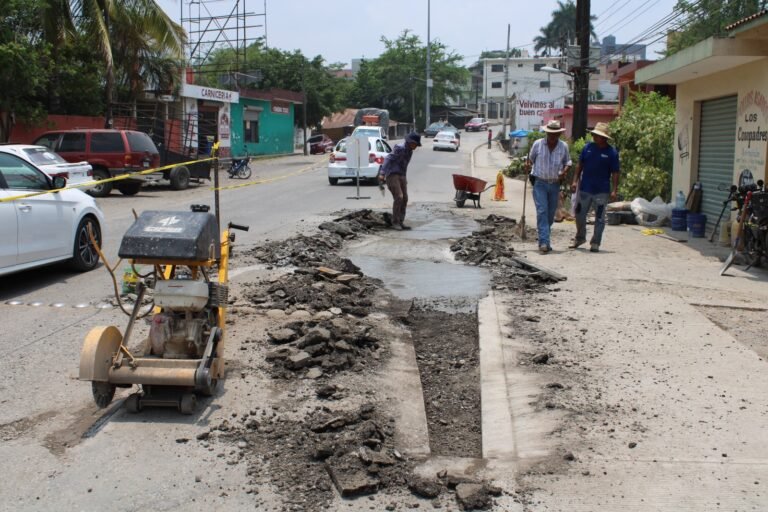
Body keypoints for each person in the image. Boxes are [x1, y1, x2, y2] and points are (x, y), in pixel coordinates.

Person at [569, 122, 620, 253]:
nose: (594, 137)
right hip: (585, 189)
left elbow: (615, 172)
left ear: (604, 138)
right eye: (594, 135)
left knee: (600, 218)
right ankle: (580, 238)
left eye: (597, 135)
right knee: (579, 215)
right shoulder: (587, 148)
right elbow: (579, 166)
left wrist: (614, 190)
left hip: (602, 191)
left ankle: (595, 242)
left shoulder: (611, 153)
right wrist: (574, 181)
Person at [525, 120, 572, 254]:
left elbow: (568, 162)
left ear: (559, 134)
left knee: (550, 215)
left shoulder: (563, 146)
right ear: (546, 133)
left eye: (555, 134)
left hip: (555, 184)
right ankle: (544, 242)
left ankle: (545, 238)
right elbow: (530, 159)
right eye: (550, 134)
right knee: (542, 211)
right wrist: (527, 164)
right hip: (540, 183)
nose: (552, 136)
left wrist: (564, 171)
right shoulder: (538, 144)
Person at [379, 132, 422, 230]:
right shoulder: (399, 148)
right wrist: (382, 173)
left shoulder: (410, 151)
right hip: (392, 175)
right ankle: (395, 222)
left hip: (402, 175)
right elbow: (388, 159)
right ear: (410, 142)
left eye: (416, 145)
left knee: (405, 198)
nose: (415, 146)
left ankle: (401, 221)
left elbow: (404, 165)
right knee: (399, 197)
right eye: (415, 144)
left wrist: (404, 179)